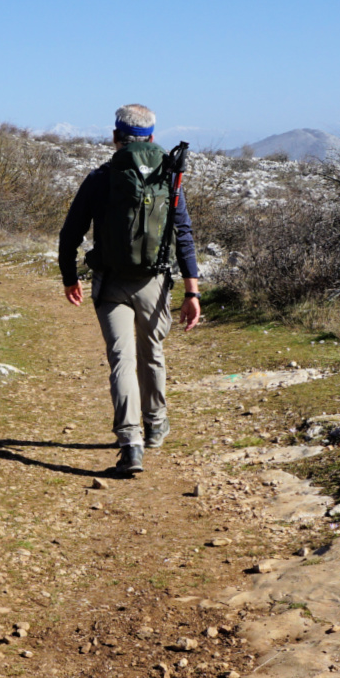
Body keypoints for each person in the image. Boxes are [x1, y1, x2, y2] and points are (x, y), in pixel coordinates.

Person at [58, 104, 202, 476]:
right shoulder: (169, 177)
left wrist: (69, 277)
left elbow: (70, 233)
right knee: (151, 352)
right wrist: (192, 292)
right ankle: (155, 426)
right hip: (154, 282)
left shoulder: (100, 178)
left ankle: (130, 443)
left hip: (110, 283)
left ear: (114, 137)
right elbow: (182, 234)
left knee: (121, 359)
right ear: (152, 138)